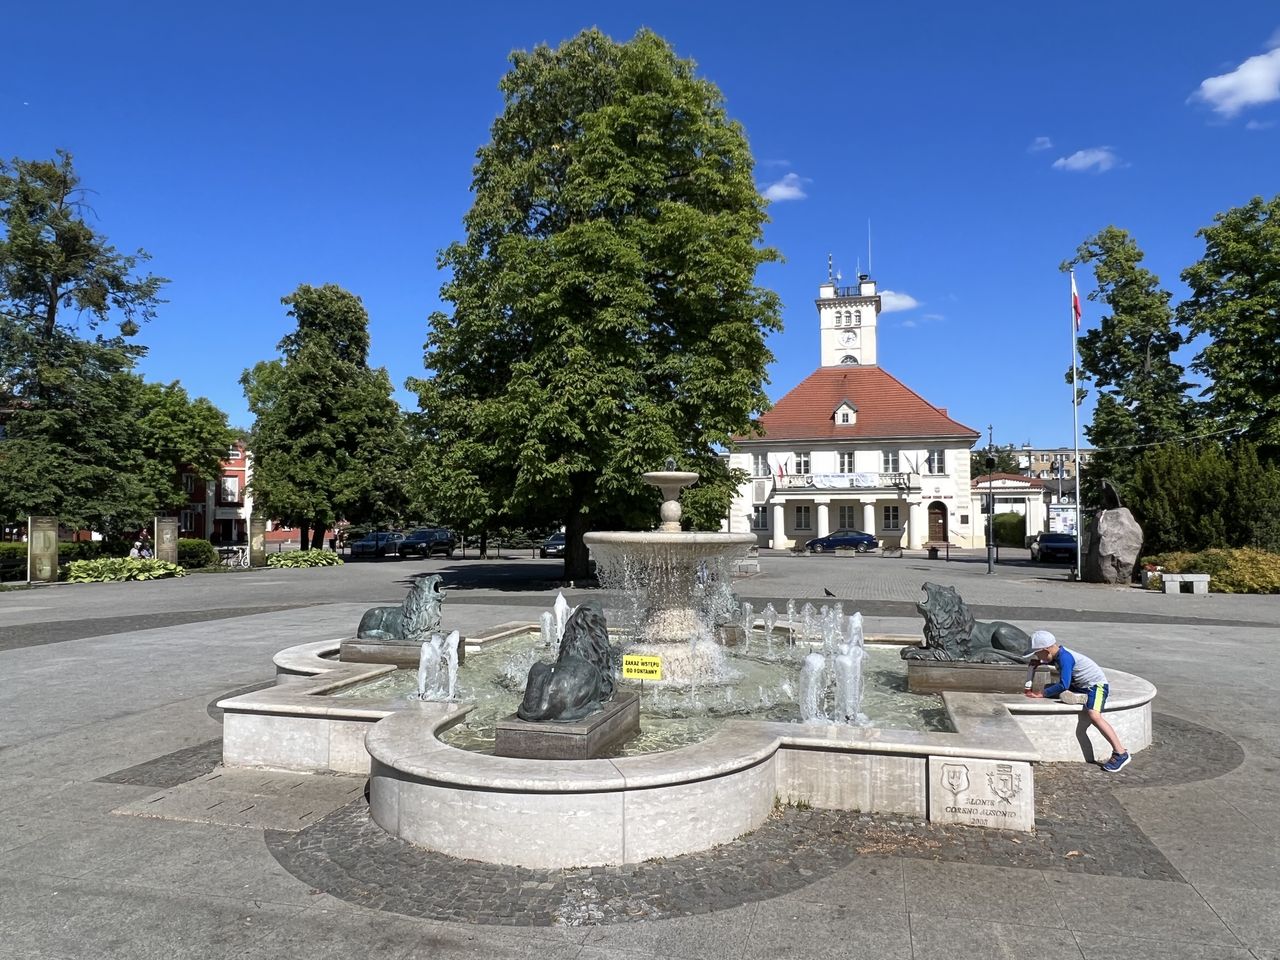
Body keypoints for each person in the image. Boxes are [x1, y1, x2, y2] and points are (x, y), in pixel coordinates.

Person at [1023, 629, 1131, 772]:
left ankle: (1120, 752)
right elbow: (1056, 669)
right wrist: (1041, 662)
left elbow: (1063, 684)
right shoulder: (1058, 654)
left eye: (1038, 653)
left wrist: (1041, 695)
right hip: (1080, 685)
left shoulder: (1065, 658)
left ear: (1046, 649)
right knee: (1052, 688)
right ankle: (1081, 698)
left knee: (1094, 715)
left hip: (1096, 687)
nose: (1037, 656)